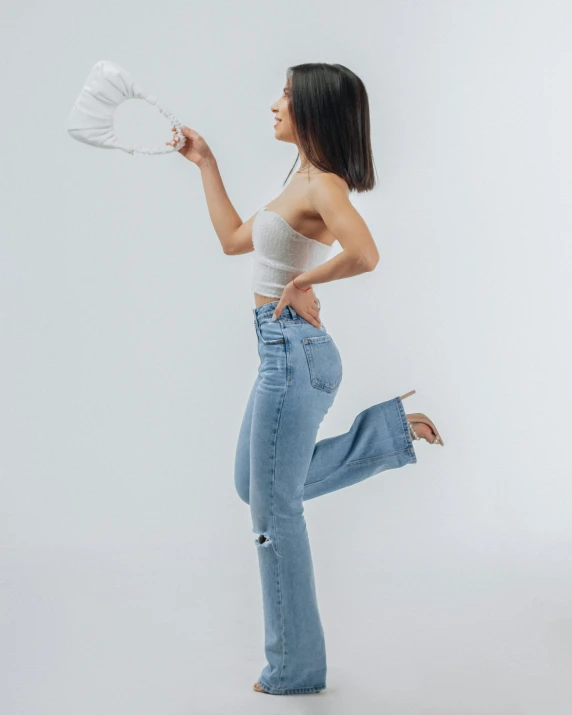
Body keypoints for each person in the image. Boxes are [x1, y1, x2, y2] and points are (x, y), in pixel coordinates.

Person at [172, 62, 444, 696]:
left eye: (287, 98)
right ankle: (386, 437)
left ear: (313, 111)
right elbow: (235, 242)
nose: (274, 105)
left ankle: (296, 667)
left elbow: (366, 253)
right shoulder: (296, 177)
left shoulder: (324, 185)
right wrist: (206, 161)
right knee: (256, 486)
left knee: (275, 510)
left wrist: (301, 285)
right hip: (282, 350)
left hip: (294, 351)